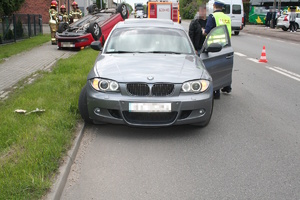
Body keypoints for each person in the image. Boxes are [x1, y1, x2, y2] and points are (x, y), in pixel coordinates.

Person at [203, 0, 232, 99]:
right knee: (226, 66)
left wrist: (202, 31)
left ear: (214, 6)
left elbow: (207, 31)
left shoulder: (212, 17)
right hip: (226, 45)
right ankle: (227, 86)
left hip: (214, 46)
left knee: (215, 68)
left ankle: (216, 92)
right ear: (222, 7)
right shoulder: (227, 18)